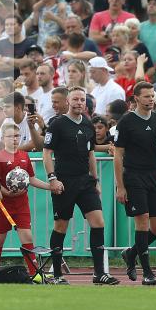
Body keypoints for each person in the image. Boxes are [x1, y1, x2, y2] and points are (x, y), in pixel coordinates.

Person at [42, 87, 118, 285]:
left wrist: (96, 180)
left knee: (98, 222)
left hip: (85, 182)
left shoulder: (87, 124)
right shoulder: (57, 124)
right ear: (68, 101)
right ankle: (56, 275)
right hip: (64, 182)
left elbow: (90, 153)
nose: (79, 103)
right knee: (61, 226)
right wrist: (52, 178)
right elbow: (47, 153)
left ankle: (99, 273)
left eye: (82, 99)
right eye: (75, 99)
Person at [114, 81, 156, 286]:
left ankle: (131, 252)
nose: (151, 99)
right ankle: (147, 272)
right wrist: (120, 186)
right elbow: (118, 155)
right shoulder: (126, 122)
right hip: (133, 176)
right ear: (136, 98)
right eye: (146, 96)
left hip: (154, 176)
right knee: (142, 222)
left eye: (152, 95)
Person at [0, 122, 58, 275]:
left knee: (26, 236)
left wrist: (50, 186)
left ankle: (34, 272)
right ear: (3, 138)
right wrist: (5, 192)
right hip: (3, 205)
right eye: (10, 136)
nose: (14, 139)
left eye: (17, 136)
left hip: (21, 204)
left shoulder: (24, 156)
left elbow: (31, 179)